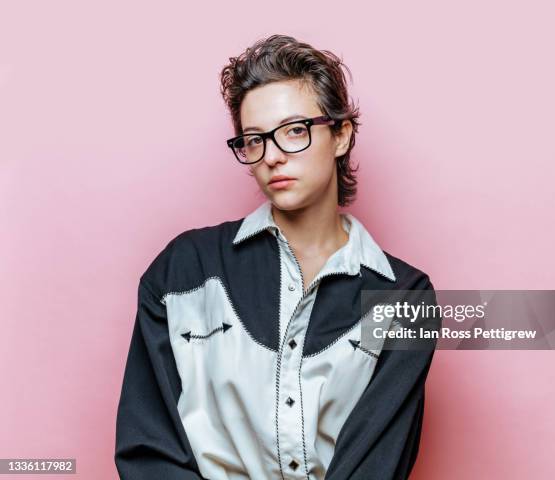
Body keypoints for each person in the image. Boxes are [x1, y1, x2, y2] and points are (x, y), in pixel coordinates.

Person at [115, 34, 439, 480]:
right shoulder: (182, 271)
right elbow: (148, 450)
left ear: (341, 135)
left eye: (294, 131)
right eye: (254, 140)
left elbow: (377, 464)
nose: (272, 157)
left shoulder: (407, 297)